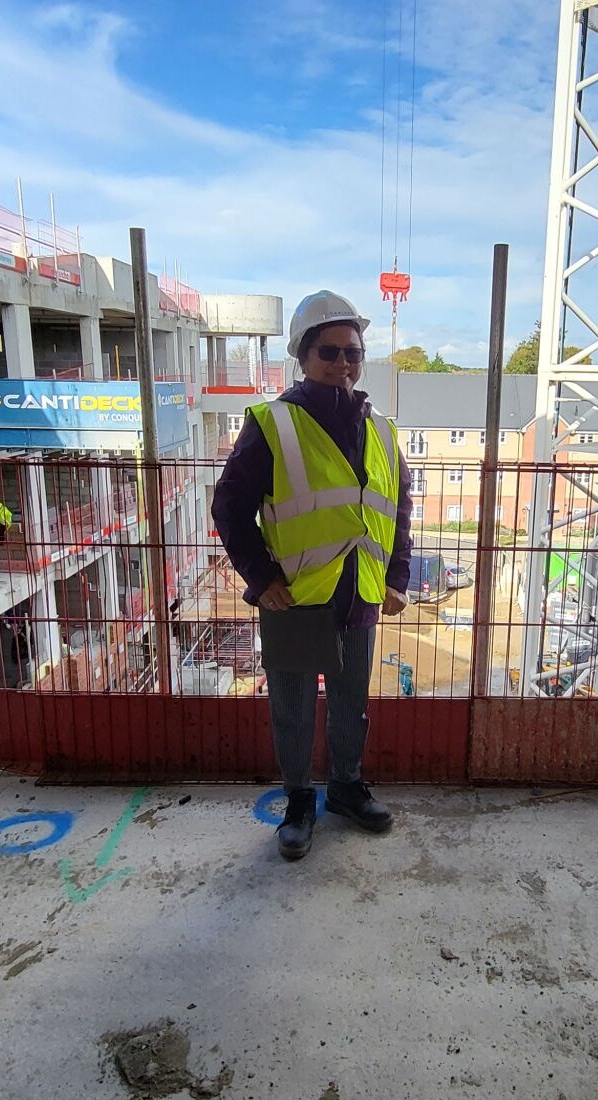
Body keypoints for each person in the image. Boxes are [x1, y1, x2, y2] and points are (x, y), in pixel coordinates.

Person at [212, 290, 414, 861]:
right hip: (297, 595)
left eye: (353, 352)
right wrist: (259, 575)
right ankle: (300, 802)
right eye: (330, 351)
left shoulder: (381, 428)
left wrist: (396, 575)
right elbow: (229, 506)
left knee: (351, 703)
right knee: (294, 706)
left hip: (360, 593)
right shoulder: (273, 423)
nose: (344, 363)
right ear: (304, 356)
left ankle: (347, 788)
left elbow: (398, 505)